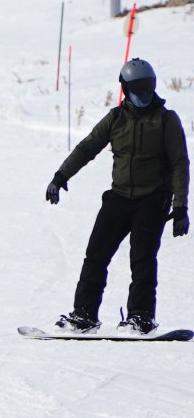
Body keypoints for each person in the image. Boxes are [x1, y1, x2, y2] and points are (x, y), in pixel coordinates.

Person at [47, 58, 189, 335]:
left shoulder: (166, 120)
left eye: (149, 87)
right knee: (95, 256)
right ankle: (84, 316)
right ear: (125, 89)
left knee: (143, 259)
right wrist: (60, 176)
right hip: (119, 197)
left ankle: (141, 317)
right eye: (138, 88)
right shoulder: (116, 118)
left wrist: (180, 206)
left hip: (152, 199)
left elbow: (179, 164)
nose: (145, 93)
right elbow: (87, 148)